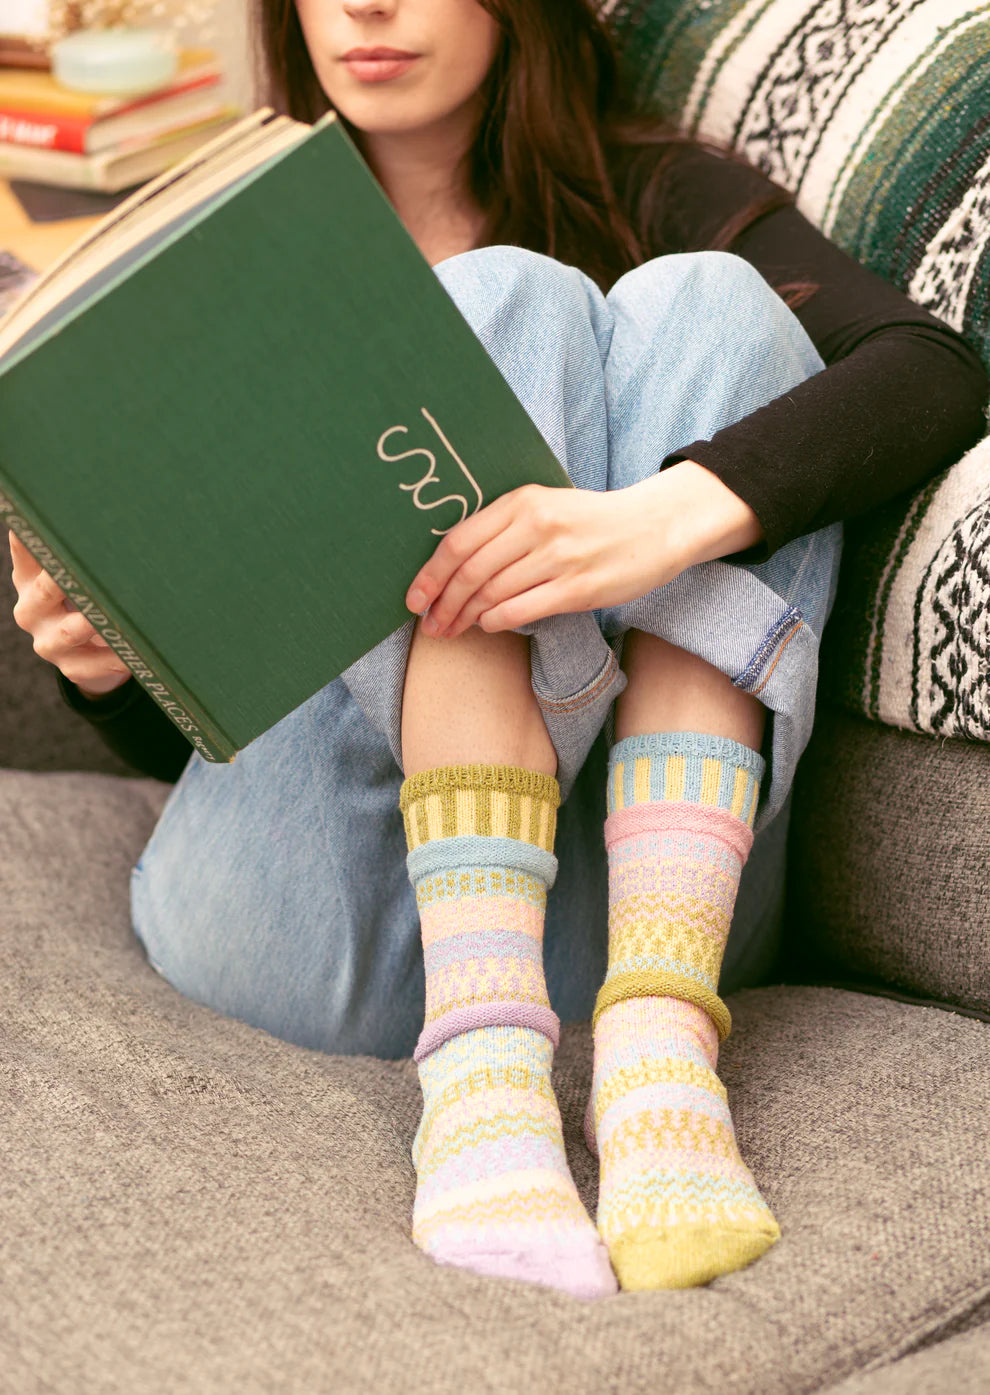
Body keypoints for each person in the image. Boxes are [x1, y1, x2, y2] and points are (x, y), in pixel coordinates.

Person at [9, 0, 986, 1301]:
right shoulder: (232, 250)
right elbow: (210, 739)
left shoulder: (648, 188)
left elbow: (928, 369)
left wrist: (655, 521)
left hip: (633, 912)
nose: (363, 7)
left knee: (716, 305)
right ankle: (477, 1067)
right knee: (490, 302)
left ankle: (653, 1049)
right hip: (318, 914)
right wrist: (110, 671)